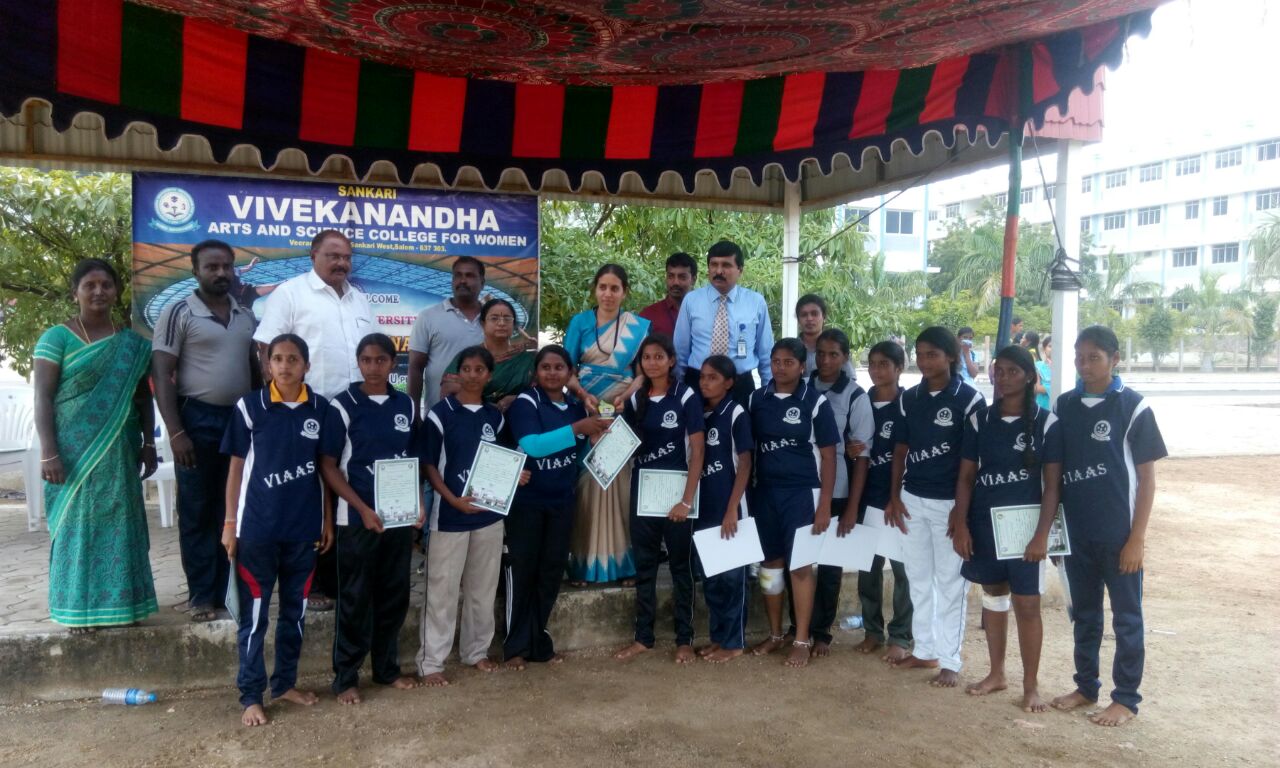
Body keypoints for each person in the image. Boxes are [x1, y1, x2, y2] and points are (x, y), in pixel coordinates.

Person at [1044, 325, 1167, 727]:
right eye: (1079, 357)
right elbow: (1054, 475)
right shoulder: (1064, 406)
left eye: (1094, 357)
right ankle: (1085, 686)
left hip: (1119, 536)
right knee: (1084, 614)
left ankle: (1126, 699)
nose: (1085, 365)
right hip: (1077, 534)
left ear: (1114, 359)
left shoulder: (1133, 407)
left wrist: (1137, 539)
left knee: (1127, 617)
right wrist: (1056, 534)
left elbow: (1146, 479)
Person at [33, 258, 159, 632]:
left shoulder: (131, 344)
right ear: (75, 293)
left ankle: (124, 607)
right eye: (90, 285)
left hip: (119, 452)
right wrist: (49, 452)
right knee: (77, 527)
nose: (99, 291)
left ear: (117, 291)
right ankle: (76, 610)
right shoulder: (56, 338)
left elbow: (143, 397)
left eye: (106, 284)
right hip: (73, 455)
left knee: (121, 525)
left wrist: (149, 444)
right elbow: (42, 397)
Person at [253, 229, 376, 610]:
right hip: (308, 411)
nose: (341, 263)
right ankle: (314, 583)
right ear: (313, 256)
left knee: (348, 488)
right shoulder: (290, 294)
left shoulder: (360, 300)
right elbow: (266, 348)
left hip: (354, 412)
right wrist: (278, 406)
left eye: (346, 257)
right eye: (333, 256)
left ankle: (344, 577)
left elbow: (372, 351)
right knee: (310, 492)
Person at [221, 333, 333, 727]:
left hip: (303, 530)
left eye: (293, 359)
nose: (285, 366)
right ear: (267, 365)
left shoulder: (320, 409)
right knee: (254, 617)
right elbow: (236, 469)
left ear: (307, 366)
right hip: (257, 530)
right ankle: (251, 695)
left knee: (294, 613)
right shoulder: (250, 407)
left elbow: (326, 470)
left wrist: (327, 520)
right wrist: (230, 523)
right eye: (278, 358)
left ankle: (284, 684)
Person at [152, 240, 260, 623]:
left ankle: (230, 591)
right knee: (197, 509)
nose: (221, 273)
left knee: (233, 508)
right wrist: (176, 432)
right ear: (195, 270)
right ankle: (201, 594)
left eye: (226, 266)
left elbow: (254, 370)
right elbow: (161, 373)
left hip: (239, 420)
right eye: (212, 267)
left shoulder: (245, 315)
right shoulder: (178, 312)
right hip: (196, 420)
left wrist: (260, 419)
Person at [319, 333, 424, 703]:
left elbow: (412, 459)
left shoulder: (406, 404)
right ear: (358, 362)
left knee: (394, 596)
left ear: (392, 363)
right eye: (366, 359)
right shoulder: (342, 405)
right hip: (356, 517)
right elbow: (328, 466)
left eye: (381, 360)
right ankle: (346, 677)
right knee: (355, 598)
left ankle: (386, 670)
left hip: (398, 517)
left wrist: (418, 503)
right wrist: (362, 509)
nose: (373, 366)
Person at [950, 345, 1054, 713]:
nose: (1004, 377)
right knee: (994, 596)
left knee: (1027, 604)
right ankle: (997, 674)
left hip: (1025, 530)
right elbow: (966, 477)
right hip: (985, 524)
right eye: (999, 370)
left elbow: (1052, 486)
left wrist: (1041, 534)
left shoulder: (1047, 423)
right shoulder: (980, 420)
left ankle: (1031, 685)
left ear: (1029, 377)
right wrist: (961, 523)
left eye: (1013, 371)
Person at [417, 346, 528, 686]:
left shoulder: (495, 417)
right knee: (442, 591)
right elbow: (429, 465)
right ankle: (431, 662)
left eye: (480, 369)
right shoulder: (440, 414)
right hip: (449, 517)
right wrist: (452, 499)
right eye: (466, 368)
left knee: (482, 589)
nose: (472, 375)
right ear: (457, 372)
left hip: (488, 517)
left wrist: (516, 475)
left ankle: (476, 651)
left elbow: (504, 458)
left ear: (489, 375)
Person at [885, 326, 985, 687]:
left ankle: (950, 660)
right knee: (918, 578)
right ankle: (925, 649)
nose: (925, 361)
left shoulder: (970, 400)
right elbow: (900, 450)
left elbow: (972, 463)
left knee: (951, 583)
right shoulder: (909, 399)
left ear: (951, 357)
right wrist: (895, 496)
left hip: (950, 505)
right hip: (912, 499)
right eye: (920, 354)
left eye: (933, 354)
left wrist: (961, 512)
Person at [502, 346, 610, 670]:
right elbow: (533, 445)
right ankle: (515, 646)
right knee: (523, 571)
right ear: (536, 372)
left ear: (569, 372)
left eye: (559, 367)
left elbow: (578, 453)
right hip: (528, 503)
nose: (552, 373)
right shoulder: (526, 403)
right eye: (545, 367)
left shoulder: (576, 407)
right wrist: (578, 430)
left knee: (550, 573)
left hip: (562, 501)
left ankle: (540, 644)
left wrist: (595, 438)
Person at [613, 334, 705, 664]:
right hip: (643, 493)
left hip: (678, 495)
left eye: (658, 356)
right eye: (646, 358)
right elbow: (620, 443)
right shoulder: (636, 400)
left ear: (671, 360)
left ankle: (684, 639)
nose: (652, 363)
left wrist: (686, 500)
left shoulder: (686, 396)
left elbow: (698, 452)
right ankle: (643, 637)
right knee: (645, 566)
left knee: (681, 567)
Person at [748, 338, 839, 668]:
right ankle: (775, 634)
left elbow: (829, 457)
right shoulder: (756, 399)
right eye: (776, 361)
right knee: (770, 565)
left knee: (800, 566)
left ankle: (801, 638)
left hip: (802, 494)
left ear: (802, 367)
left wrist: (825, 504)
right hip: (765, 493)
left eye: (789, 362)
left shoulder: (815, 402)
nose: (780, 367)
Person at [784, 329, 873, 656]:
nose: (825, 360)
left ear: (845, 357)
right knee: (798, 560)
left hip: (837, 489)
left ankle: (821, 632)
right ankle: (798, 627)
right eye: (820, 353)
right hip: (800, 487)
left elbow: (862, 456)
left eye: (833, 354)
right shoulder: (801, 387)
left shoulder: (854, 396)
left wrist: (851, 507)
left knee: (830, 564)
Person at [562, 264, 651, 585]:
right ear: (595, 289)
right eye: (603, 287)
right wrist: (582, 395)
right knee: (587, 487)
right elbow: (566, 369)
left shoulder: (637, 327)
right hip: (585, 413)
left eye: (615, 288)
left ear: (625, 292)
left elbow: (643, 371)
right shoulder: (580, 323)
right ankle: (583, 566)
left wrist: (625, 396)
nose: (608, 294)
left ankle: (625, 566)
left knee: (619, 486)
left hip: (620, 414)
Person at [854, 341, 914, 662]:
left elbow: (910, 455)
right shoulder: (861, 402)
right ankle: (872, 631)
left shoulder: (909, 404)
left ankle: (901, 634)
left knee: (903, 570)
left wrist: (897, 496)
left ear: (899, 368)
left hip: (898, 501)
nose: (877, 370)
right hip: (867, 498)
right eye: (873, 364)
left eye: (884, 364)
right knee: (868, 569)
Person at [692, 355, 754, 664]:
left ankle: (734, 642)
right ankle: (718, 638)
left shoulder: (736, 413)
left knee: (733, 579)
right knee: (712, 578)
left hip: (731, 509)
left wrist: (732, 509)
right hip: (705, 509)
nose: (705, 382)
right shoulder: (701, 414)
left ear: (729, 383)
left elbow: (745, 463)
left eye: (713, 377)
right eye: (703, 376)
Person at [674, 240, 774, 405]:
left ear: (740, 270)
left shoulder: (756, 302)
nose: (719, 271)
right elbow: (680, 351)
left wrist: (768, 394)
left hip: (740, 385)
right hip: (698, 383)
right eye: (714, 264)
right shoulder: (691, 300)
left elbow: (765, 352)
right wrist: (678, 391)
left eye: (726, 265)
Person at [407, 256, 486, 410]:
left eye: (469, 275)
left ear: (482, 283)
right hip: (438, 415)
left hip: (483, 415)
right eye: (457, 275)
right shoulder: (428, 317)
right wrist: (414, 412)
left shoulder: (493, 319)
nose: (462, 281)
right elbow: (415, 367)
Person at [441, 298, 534, 411]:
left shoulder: (528, 359)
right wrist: (488, 408)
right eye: (494, 318)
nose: (501, 323)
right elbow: (448, 390)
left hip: (520, 419)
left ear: (513, 325)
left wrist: (519, 399)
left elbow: (542, 395)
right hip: (473, 419)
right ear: (483, 324)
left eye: (507, 318)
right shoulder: (467, 357)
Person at [638, 252, 696, 339]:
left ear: (693, 280)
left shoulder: (703, 312)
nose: (675, 282)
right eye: (671, 276)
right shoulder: (648, 315)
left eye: (682, 277)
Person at [1035, 334, 1053, 410]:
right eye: (1050, 346)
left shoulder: (1065, 368)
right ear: (1044, 348)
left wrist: (1044, 387)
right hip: (1043, 405)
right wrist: (1056, 388)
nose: (1053, 349)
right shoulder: (1038, 366)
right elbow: (1036, 388)